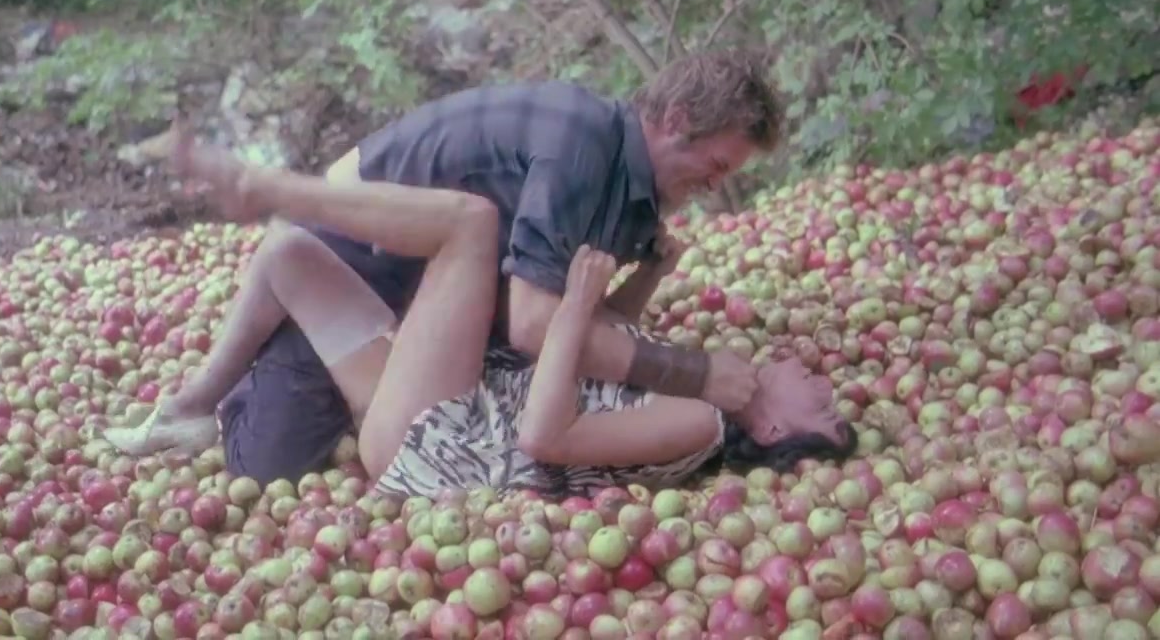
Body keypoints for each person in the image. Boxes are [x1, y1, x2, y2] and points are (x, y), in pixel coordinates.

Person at [104, 51, 805, 484]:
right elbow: (537, 327)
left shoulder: (639, 204)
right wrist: (694, 372)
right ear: (676, 119)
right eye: (717, 165)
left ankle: (207, 397)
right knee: (272, 452)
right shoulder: (583, 144)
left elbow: (578, 331)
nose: (715, 185)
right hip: (360, 247)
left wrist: (649, 277)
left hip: (444, 333)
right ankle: (267, 197)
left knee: (269, 466)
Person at [153, 152, 856, 494]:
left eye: (821, 409)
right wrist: (648, 278)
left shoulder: (700, 424)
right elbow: (597, 361)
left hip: (443, 439)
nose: (824, 387)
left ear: (772, 430)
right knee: (290, 258)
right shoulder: (704, 389)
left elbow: (548, 436)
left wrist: (573, 304)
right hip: (455, 404)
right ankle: (196, 408)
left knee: (472, 224)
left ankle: (273, 186)